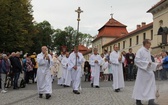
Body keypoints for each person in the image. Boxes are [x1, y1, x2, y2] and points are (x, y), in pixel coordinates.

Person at [132, 39, 160, 105]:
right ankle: (138, 101)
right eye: (149, 43)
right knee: (140, 86)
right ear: (146, 43)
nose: (150, 45)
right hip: (142, 73)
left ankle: (151, 101)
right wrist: (146, 64)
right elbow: (137, 61)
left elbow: (150, 62)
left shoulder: (148, 51)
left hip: (149, 73)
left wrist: (156, 65)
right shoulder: (140, 51)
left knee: (151, 86)